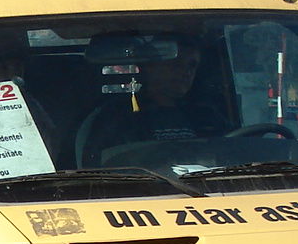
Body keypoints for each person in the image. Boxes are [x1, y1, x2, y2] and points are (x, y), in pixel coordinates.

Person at [79, 34, 224, 163]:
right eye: (176, 63)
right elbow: (102, 165)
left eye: (192, 66)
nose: (186, 72)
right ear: (149, 66)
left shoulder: (205, 116)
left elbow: (228, 150)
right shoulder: (118, 116)